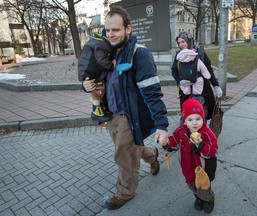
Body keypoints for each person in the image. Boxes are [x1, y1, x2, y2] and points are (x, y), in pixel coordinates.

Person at [82, 6, 169, 210]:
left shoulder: (140, 55)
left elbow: (153, 93)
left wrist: (162, 125)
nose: (110, 34)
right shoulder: (106, 52)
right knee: (130, 150)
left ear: (128, 29)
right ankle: (151, 155)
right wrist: (85, 85)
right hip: (111, 115)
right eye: (108, 30)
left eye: (116, 30)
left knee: (123, 156)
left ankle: (125, 192)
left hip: (131, 116)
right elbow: (92, 75)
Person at [159, 98, 218, 214]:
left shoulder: (206, 133)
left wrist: (200, 144)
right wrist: (166, 142)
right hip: (187, 166)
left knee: (204, 186)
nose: (194, 122)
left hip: (203, 168)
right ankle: (198, 198)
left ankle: (209, 199)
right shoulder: (181, 131)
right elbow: (173, 142)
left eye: (198, 118)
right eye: (190, 119)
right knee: (191, 184)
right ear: (184, 121)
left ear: (203, 119)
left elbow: (213, 150)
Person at [171, 31, 223, 120]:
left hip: (202, 92)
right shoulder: (178, 55)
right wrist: (180, 81)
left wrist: (216, 86)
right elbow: (174, 71)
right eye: (179, 43)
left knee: (202, 116)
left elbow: (209, 71)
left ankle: (202, 133)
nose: (181, 45)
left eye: (183, 42)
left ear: (189, 41)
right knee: (187, 117)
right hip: (186, 93)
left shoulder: (200, 53)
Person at [78, 32, 114, 123]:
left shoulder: (96, 44)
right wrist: (111, 65)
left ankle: (99, 111)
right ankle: (97, 112)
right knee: (97, 90)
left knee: (97, 90)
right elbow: (102, 62)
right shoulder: (101, 46)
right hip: (92, 74)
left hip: (90, 73)